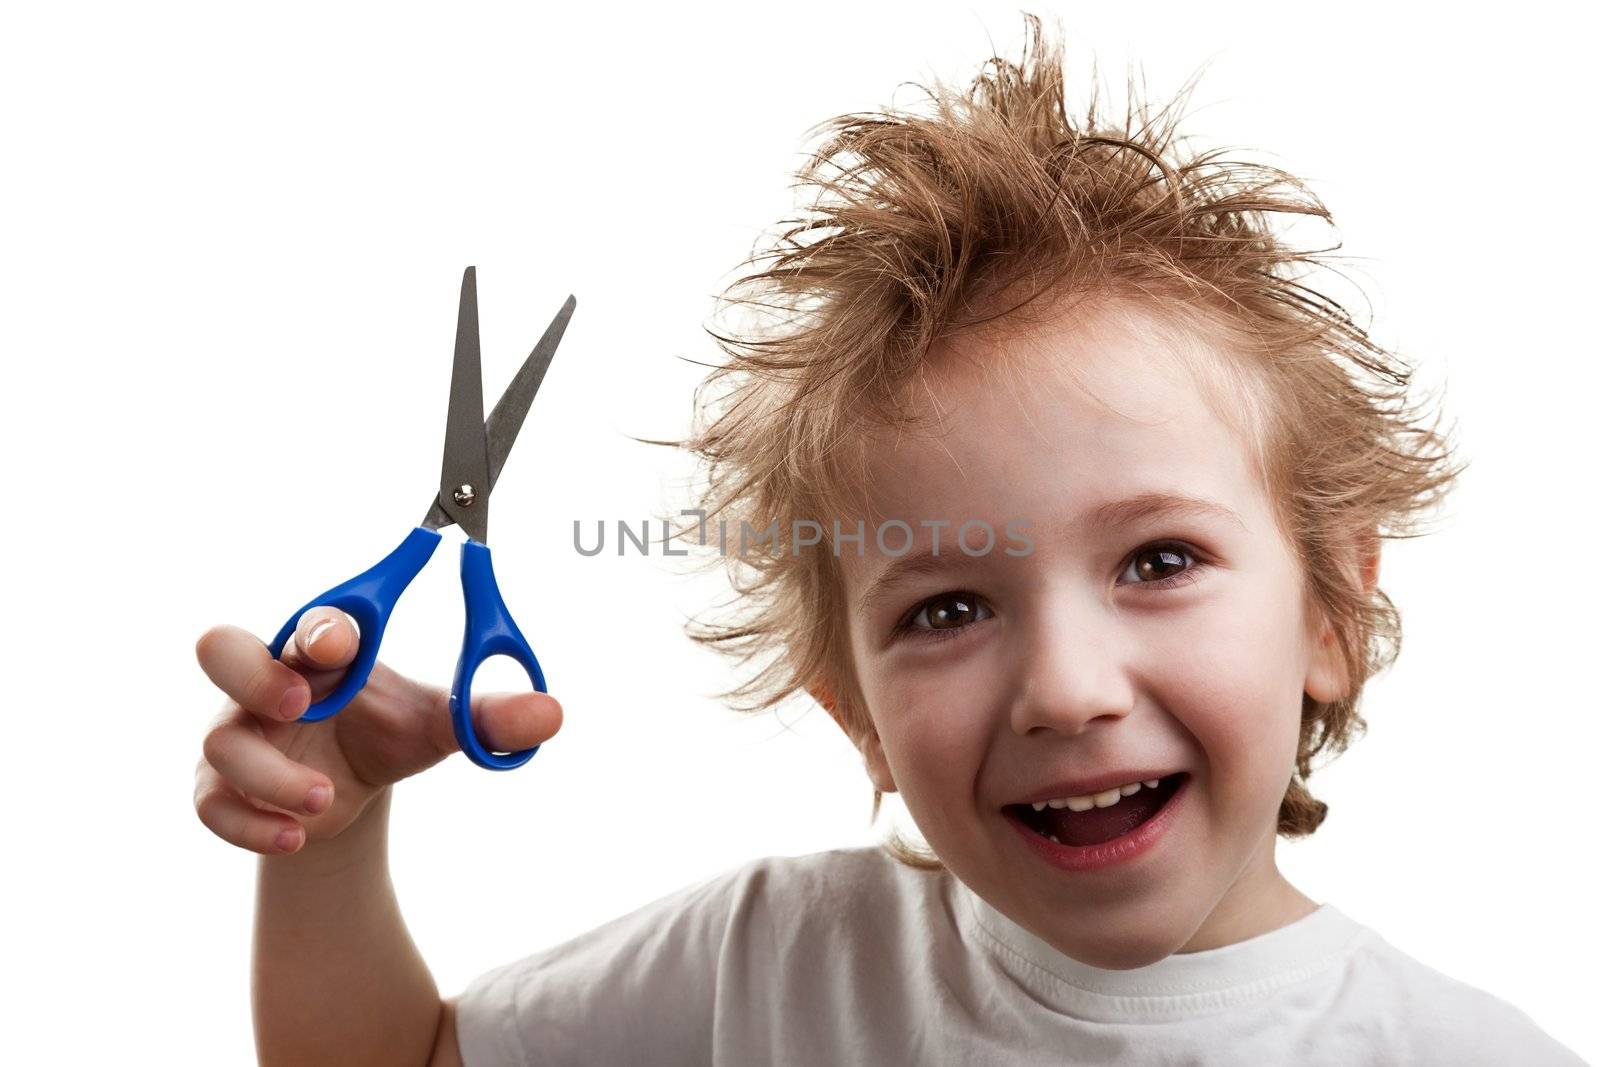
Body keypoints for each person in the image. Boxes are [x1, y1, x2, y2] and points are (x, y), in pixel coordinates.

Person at [193, 14, 1587, 1066]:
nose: (1066, 689)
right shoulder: (771, 967)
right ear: (854, 713)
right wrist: (333, 838)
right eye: (946, 608)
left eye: (1158, 562)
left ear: (1333, 613)